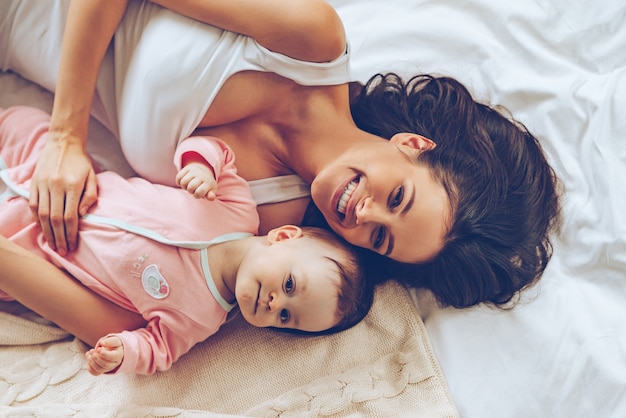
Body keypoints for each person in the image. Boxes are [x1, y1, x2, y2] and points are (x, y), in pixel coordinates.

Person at [0, 0, 561, 314]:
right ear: (413, 146)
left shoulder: (271, 222)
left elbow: (143, 280)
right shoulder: (310, 42)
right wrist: (66, 136)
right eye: (398, 197)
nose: (364, 215)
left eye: (381, 238)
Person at [0, 106, 373, 375]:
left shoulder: (198, 319)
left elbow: (156, 350)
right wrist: (200, 166)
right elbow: (218, 152)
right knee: (22, 121)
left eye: (286, 318)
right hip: (77, 183)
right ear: (284, 235)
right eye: (290, 285)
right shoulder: (237, 210)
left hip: (42, 243)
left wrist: (122, 353)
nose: (275, 304)